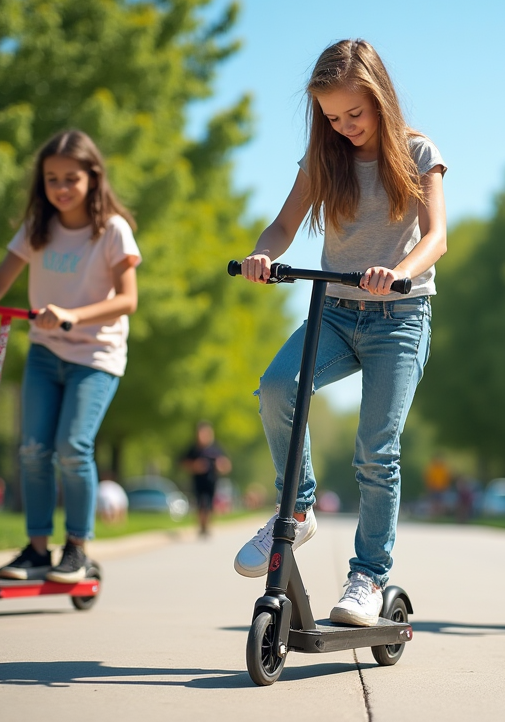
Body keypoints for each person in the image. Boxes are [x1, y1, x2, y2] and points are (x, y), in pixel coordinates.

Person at [234, 39, 447, 627]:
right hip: (335, 313)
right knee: (278, 387)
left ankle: (368, 577)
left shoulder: (418, 151)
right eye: (332, 116)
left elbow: (437, 239)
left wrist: (398, 274)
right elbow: (282, 224)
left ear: (380, 98)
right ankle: (298, 510)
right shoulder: (324, 159)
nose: (345, 126)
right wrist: (260, 255)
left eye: (355, 113)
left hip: (400, 318)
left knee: (375, 451)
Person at [0, 130, 141, 583]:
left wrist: (73, 315)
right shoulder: (37, 228)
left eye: (71, 178)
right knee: (32, 450)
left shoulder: (111, 230)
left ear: (93, 177)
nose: (61, 188)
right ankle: (36, 550)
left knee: (72, 447)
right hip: (45, 351)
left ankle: (76, 549)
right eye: (52, 179)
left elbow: (128, 300)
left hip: (96, 355)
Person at [180, 421, 231, 537]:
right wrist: (195, 466)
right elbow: (183, 462)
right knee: (199, 503)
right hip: (198, 481)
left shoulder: (216, 449)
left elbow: (227, 465)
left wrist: (220, 466)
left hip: (212, 481)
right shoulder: (194, 449)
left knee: (209, 503)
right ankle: (201, 526)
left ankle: (207, 525)